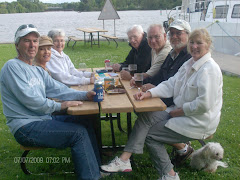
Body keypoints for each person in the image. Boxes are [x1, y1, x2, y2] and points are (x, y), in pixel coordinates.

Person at [103, 28, 223, 180]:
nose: (194, 46)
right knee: (147, 116)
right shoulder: (190, 63)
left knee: (151, 135)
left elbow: (204, 105)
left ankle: (169, 175)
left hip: (198, 120)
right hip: (179, 111)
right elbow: (171, 83)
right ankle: (124, 160)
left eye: (199, 43)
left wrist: (178, 112)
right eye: (192, 42)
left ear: (208, 44)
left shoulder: (210, 69)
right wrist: (149, 93)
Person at [0, 24, 101, 180]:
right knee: (78, 133)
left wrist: (84, 95)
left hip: (43, 119)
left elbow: (59, 89)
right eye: (27, 41)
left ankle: (95, 167)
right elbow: (32, 101)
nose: (32, 45)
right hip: (26, 127)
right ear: (17, 45)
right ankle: (92, 177)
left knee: (86, 122)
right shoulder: (12, 67)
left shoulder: (37, 70)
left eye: (35, 41)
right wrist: (60, 105)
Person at [131, 19, 192, 107]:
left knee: (143, 114)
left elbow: (177, 87)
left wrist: (154, 89)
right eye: (171, 33)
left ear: (189, 35)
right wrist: (140, 81)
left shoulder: (189, 57)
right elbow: (159, 76)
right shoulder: (172, 53)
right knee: (137, 104)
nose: (174, 36)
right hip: (162, 96)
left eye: (178, 33)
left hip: (173, 104)